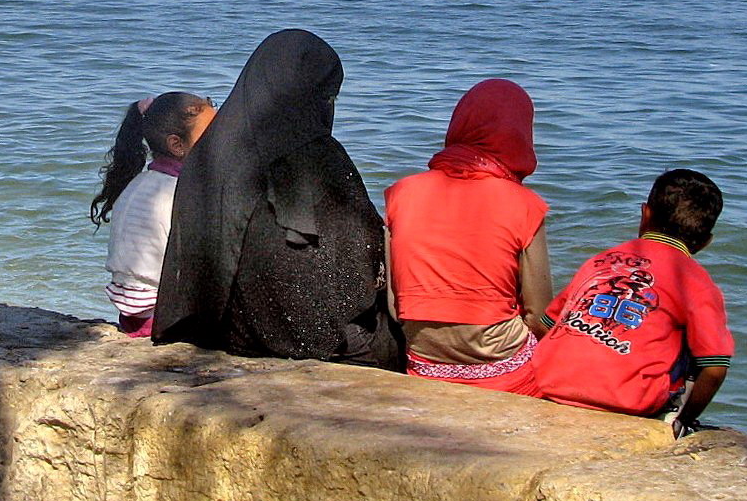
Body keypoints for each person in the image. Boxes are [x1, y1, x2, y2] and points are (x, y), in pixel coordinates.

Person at [152, 29, 402, 370]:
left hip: (234, 336)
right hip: (325, 344)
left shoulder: (208, 157)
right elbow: (360, 257)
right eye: (326, 97)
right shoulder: (320, 159)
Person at [531, 169, 732, 434]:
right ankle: (674, 419)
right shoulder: (697, 282)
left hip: (549, 381)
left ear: (645, 214)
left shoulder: (601, 261)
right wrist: (686, 419)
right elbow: (715, 369)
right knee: (701, 346)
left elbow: (546, 325)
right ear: (706, 242)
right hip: (627, 399)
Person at [384, 79, 550, 394]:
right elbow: (539, 318)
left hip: (424, 367)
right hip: (507, 376)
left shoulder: (401, 193)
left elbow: (395, 306)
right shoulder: (525, 205)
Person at [91, 92, 218, 337]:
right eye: (211, 135)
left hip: (133, 316)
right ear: (177, 145)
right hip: (168, 319)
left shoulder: (138, 184)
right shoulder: (181, 193)